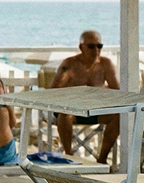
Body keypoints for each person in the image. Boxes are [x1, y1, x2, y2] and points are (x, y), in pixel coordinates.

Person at [51, 29, 120, 163]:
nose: (96, 50)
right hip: (72, 109)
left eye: (99, 46)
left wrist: (103, 93)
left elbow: (117, 91)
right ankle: (69, 156)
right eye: (91, 46)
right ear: (81, 47)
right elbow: (54, 90)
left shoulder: (105, 64)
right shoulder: (69, 64)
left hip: (95, 109)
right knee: (65, 114)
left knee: (119, 116)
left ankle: (102, 159)